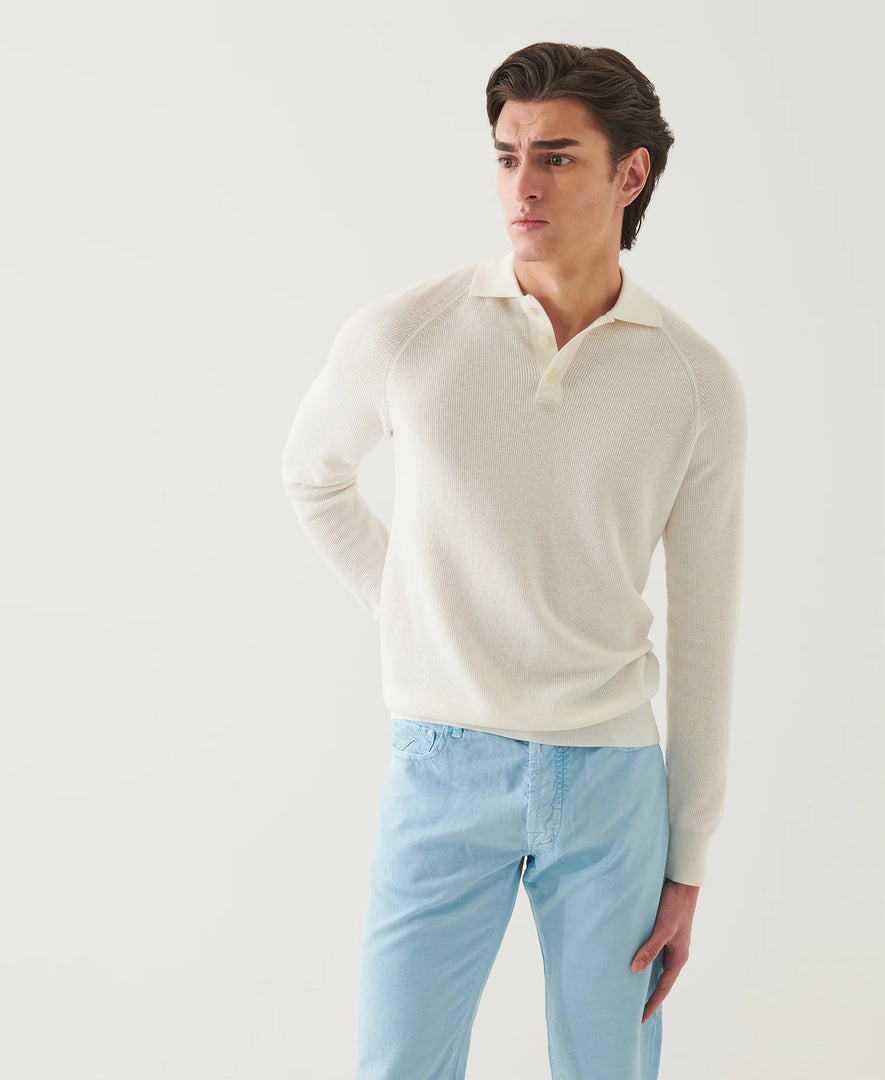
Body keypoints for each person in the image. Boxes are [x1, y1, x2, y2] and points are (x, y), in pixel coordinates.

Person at [281, 40, 748, 1080]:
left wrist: (688, 861)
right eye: (505, 156)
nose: (522, 185)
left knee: (607, 1068)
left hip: (612, 785)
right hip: (440, 769)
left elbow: (706, 633)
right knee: (399, 1064)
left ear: (631, 174)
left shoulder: (694, 383)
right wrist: (410, 608)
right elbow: (312, 476)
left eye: (557, 156)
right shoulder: (409, 334)